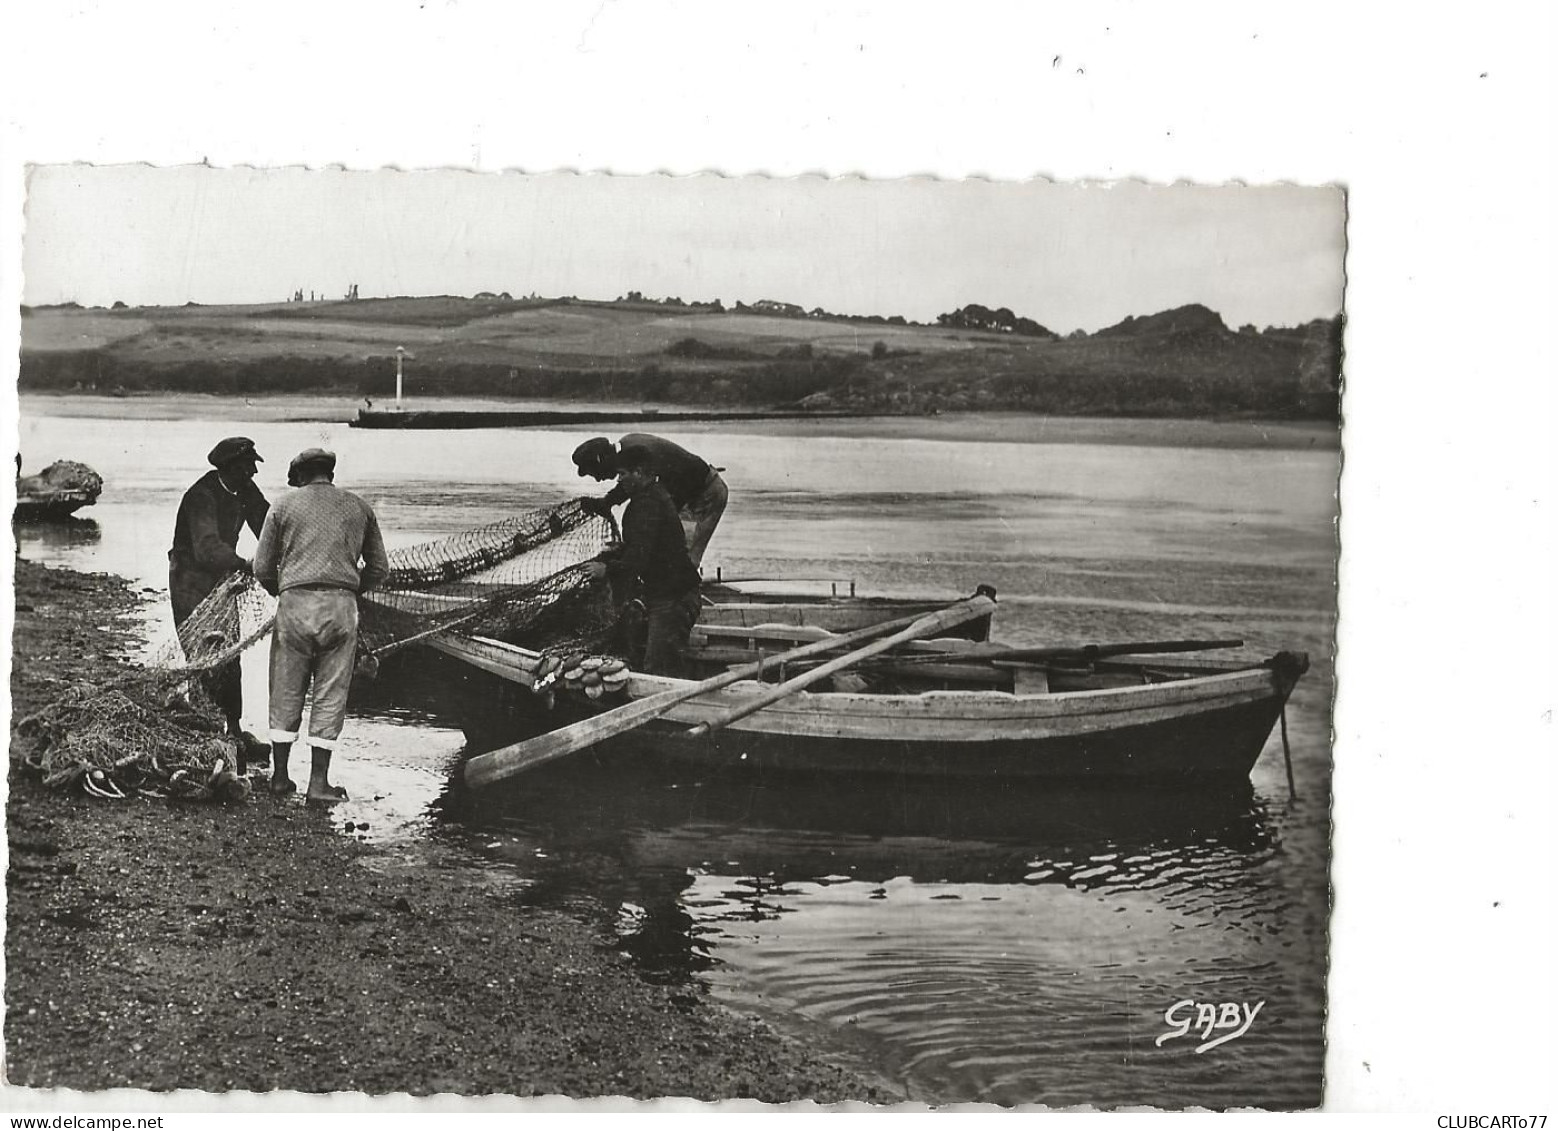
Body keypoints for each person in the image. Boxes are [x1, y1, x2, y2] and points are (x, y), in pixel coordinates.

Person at [254, 448, 389, 803]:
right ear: (329, 473)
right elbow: (379, 568)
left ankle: (280, 778)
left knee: (285, 690)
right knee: (330, 694)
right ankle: (319, 784)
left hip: (294, 606)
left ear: (299, 476)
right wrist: (350, 590)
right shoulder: (359, 507)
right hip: (341, 608)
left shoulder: (282, 507)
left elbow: (261, 567)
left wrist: (282, 589)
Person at [168, 436, 271, 759]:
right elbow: (207, 548)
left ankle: (233, 728)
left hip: (223, 579)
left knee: (231, 652)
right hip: (190, 579)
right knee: (204, 653)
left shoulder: (245, 491)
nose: (254, 471)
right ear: (232, 467)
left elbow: (270, 527)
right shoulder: (202, 495)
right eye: (248, 465)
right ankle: (205, 729)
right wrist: (244, 565)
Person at [582, 446, 702, 677]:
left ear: (639, 472)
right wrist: (623, 550)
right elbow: (650, 547)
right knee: (662, 661)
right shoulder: (652, 495)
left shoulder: (647, 505)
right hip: (671, 594)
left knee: (658, 669)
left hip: (673, 599)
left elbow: (638, 560)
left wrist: (606, 568)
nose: (619, 480)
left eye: (623, 474)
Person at [573, 434, 727, 569]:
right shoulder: (628, 447)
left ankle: (686, 597)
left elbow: (660, 494)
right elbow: (634, 483)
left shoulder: (639, 453)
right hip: (690, 491)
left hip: (706, 493)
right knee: (666, 548)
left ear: (603, 460)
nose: (598, 479)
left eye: (595, 473)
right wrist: (608, 502)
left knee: (683, 555)